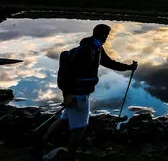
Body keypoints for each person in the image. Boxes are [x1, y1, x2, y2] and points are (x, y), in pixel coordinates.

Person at [31, 24, 137, 160]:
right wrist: (67, 94)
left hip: (75, 93)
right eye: (107, 35)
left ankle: (38, 147)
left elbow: (109, 63)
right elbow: (71, 73)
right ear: (103, 34)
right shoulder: (88, 50)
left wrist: (129, 67)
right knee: (81, 128)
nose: (107, 37)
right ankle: (70, 157)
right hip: (79, 95)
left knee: (64, 119)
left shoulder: (95, 47)